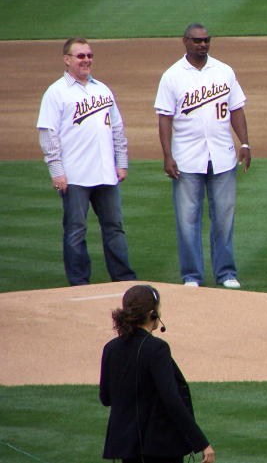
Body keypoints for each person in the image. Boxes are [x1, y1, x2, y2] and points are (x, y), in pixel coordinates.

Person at [155, 23, 251, 289]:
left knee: (224, 218)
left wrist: (245, 143)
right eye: (197, 41)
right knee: (187, 220)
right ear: (185, 41)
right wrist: (167, 155)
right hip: (186, 158)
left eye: (206, 40)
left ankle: (226, 273)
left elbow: (237, 109)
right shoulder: (172, 76)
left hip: (222, 155)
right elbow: (164, 119)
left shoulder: (224, 71)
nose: (202, 45)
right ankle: (192, 275)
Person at [37, 37, 138, 286]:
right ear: (67, 59)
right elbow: (48, 134)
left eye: (89, 55)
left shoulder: (102, 89)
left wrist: (121, 162)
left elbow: (117, 128)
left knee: (114, 228)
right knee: (75, 231)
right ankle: (79, 281)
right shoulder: (56, 92)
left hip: (105, 173)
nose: (86, 60)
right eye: (80, 56)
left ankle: (123, 278)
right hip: (75, 175)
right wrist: (57, 171)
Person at [100, 284, 215, 462]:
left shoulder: (110, 348)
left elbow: (105, 398)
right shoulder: (157, 349)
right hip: (159, 447)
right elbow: (172, 400)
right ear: (152, 314)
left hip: (127, 448)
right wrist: (201, 442)